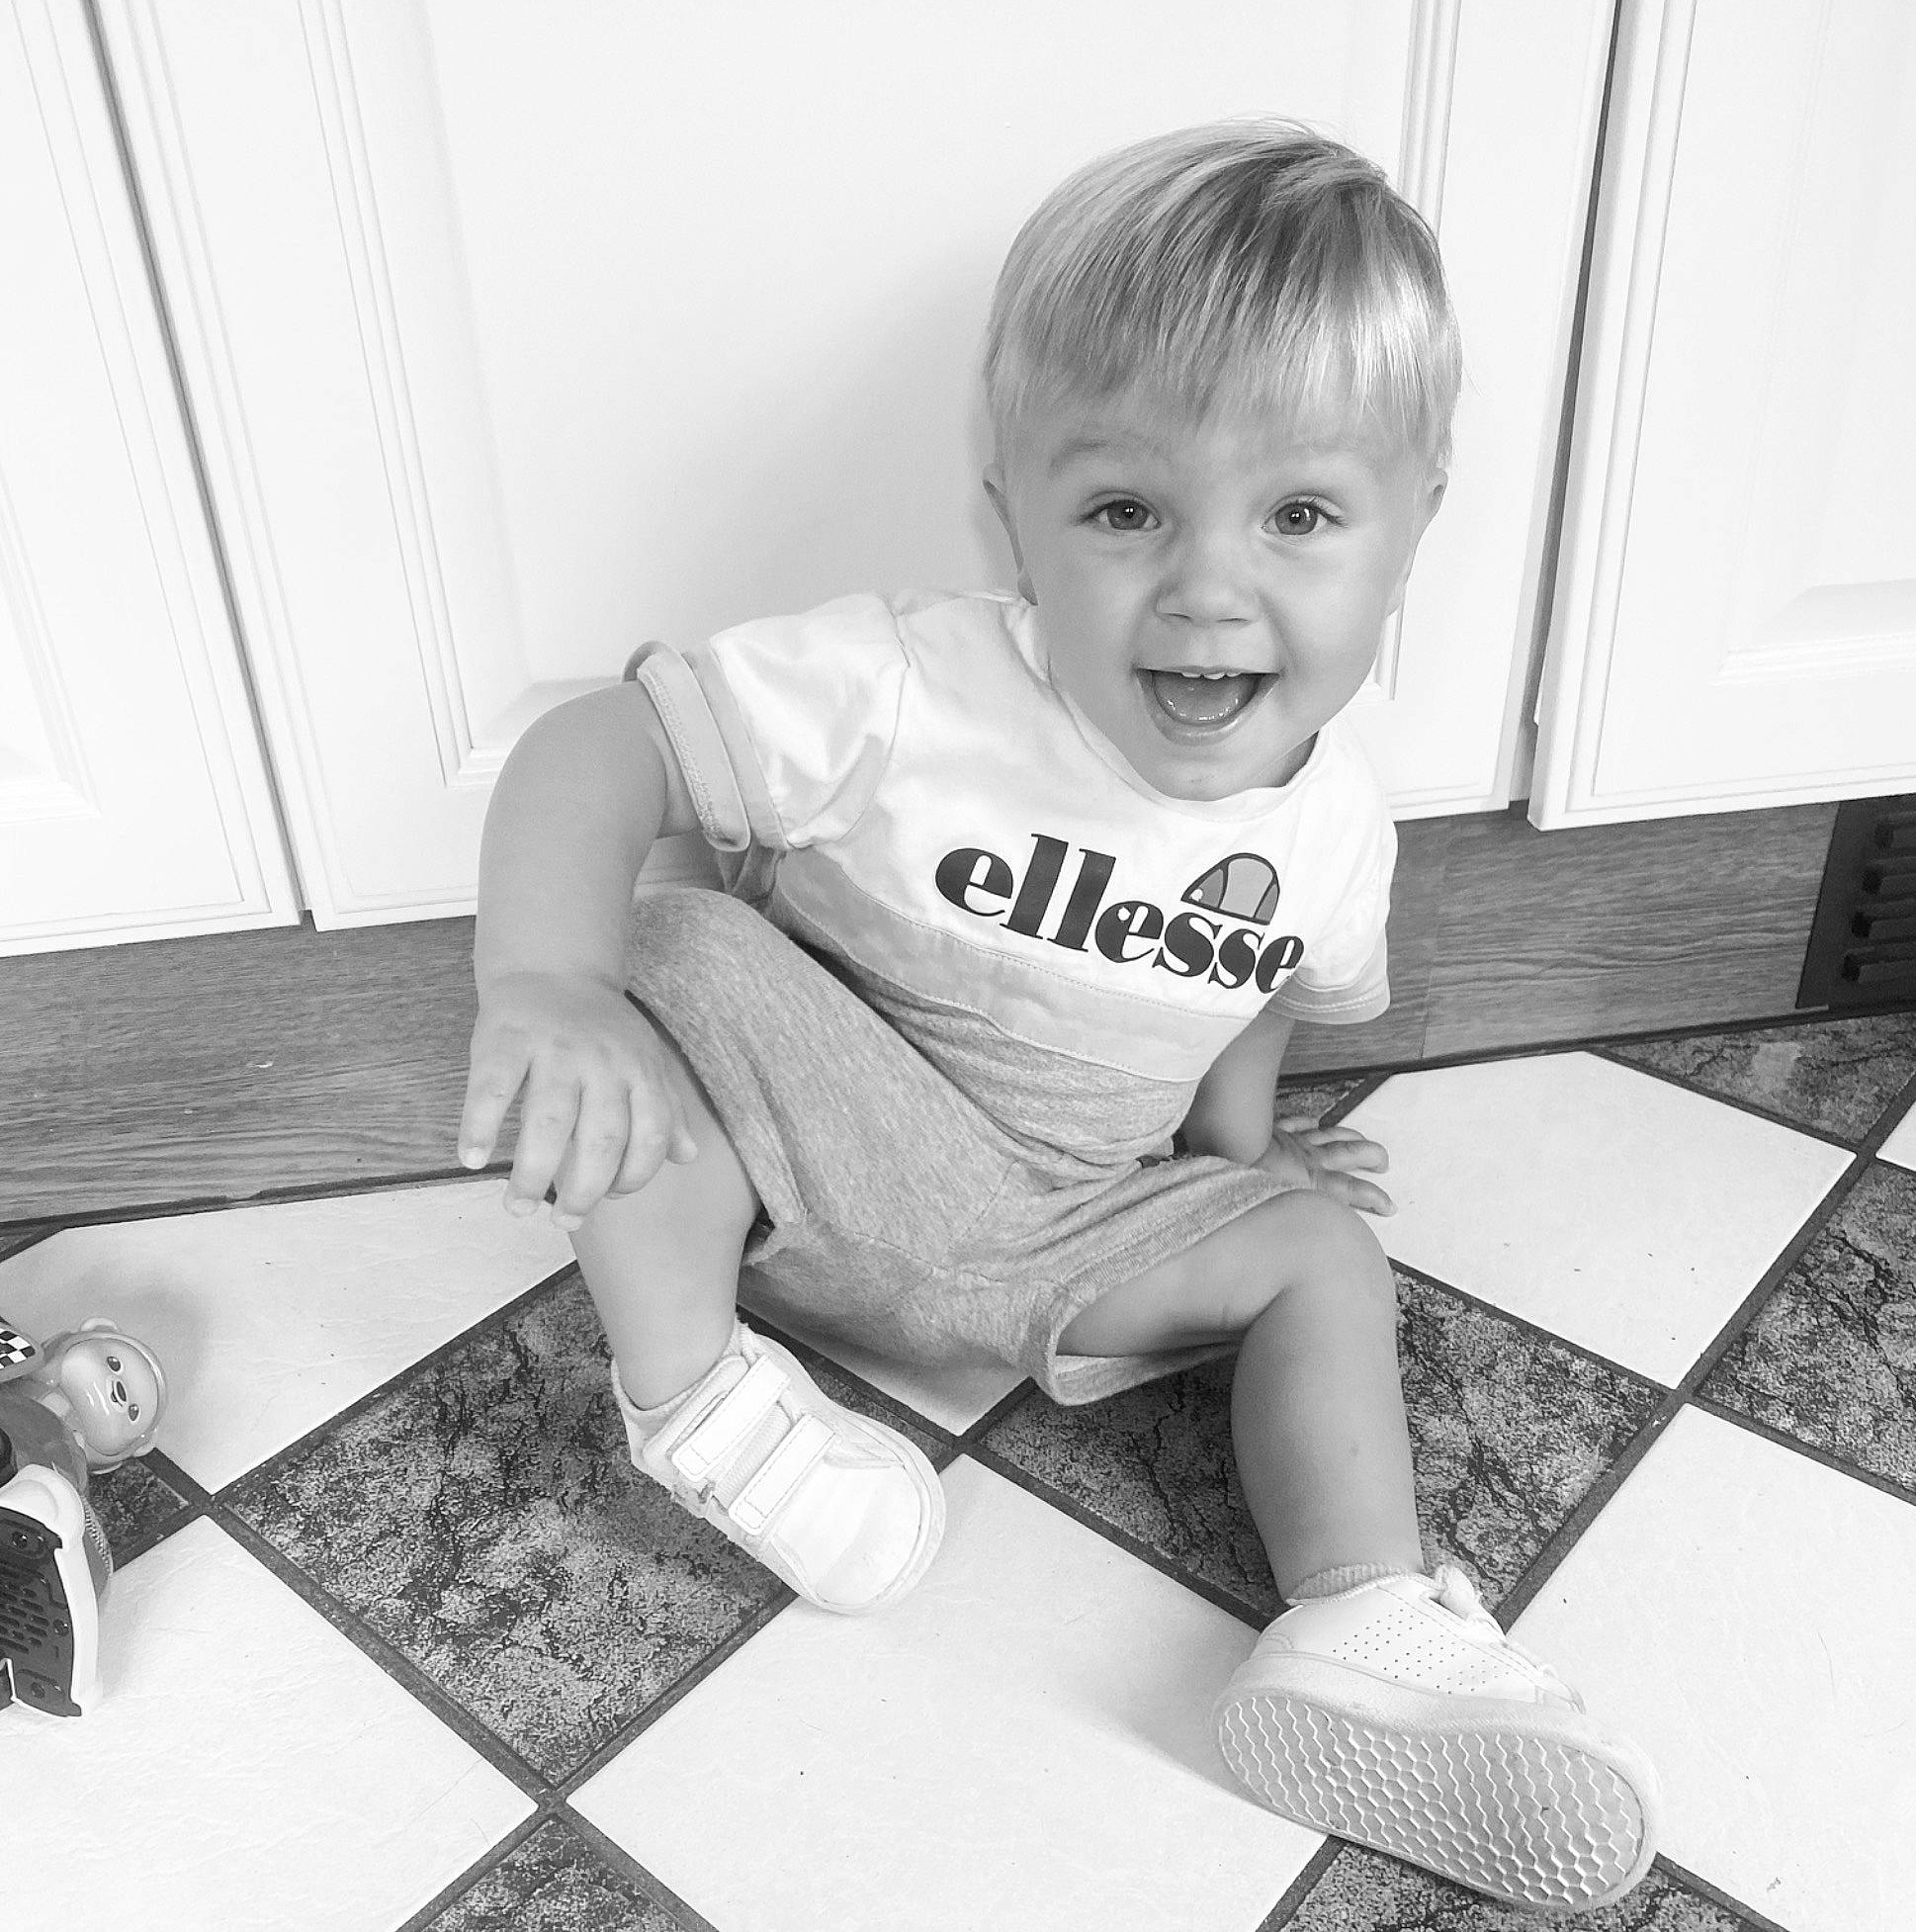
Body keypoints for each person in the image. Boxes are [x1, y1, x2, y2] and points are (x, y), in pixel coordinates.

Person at [457, 120, 1659, 1911]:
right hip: (809, 1169)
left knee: (1323, 1253)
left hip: (1075, 1239)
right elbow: (595, 744)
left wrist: (1238, 1176)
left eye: (1301, 515)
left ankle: (1363, 1621)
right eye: (1123, 511)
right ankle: (700, 1401)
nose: (1205, 585)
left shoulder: (1334, 829)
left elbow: (1248, 1004)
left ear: (1414, 525)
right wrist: (539, 981)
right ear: (1005, 506)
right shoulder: (902, 682)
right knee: (666, 943)